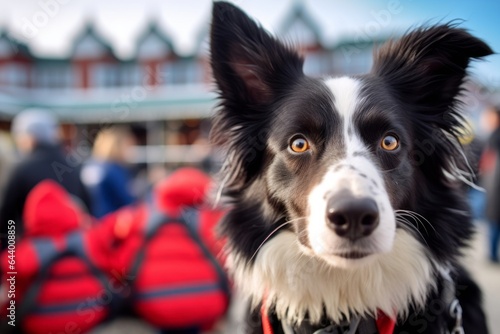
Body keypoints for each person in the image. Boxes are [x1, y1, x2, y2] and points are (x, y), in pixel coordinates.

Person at [0, 108, 91, 250]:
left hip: (36, 254)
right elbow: (87, 208)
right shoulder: (73, 165)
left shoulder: (22, 169)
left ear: (30, 137)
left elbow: (8, 219)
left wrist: (10, 255)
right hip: (73, 250)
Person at [80, 126, 136, 218]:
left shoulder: (88, 165)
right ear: (117, 145)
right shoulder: (113, 169)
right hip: (111, 222)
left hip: (90, 221)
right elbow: (128, 201)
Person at [484, 105, 500, 263]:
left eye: (490, 116)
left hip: (495, 188)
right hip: (493, 187)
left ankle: (493, 254)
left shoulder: (495, 137)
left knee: (494, 221)